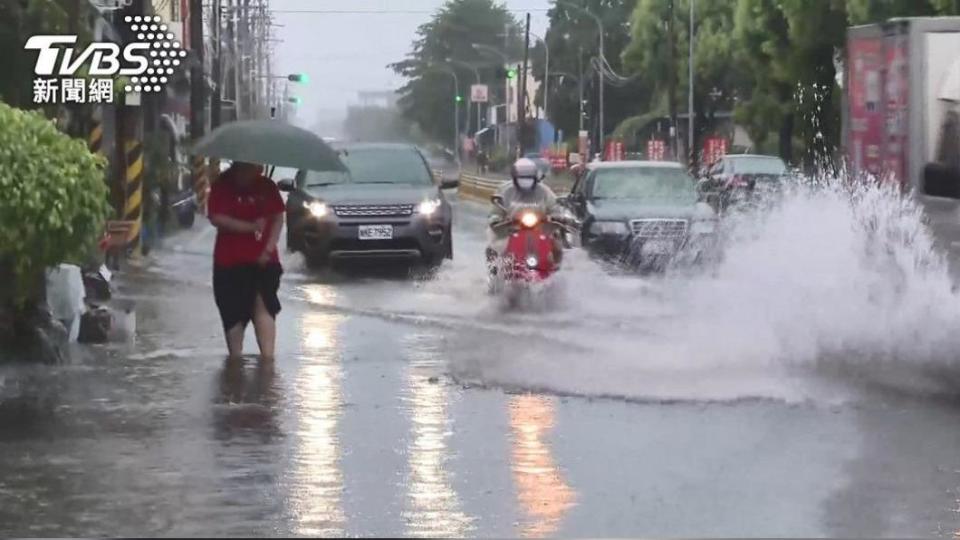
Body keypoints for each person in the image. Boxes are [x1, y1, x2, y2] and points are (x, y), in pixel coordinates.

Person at [207, 161, 285, 362]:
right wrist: (250, 227)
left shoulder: (267, 186)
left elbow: (278, 218)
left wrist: (268, 248)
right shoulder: (222, 185)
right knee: (232, 311)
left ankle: (268, 360)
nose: (255, 171)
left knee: (263, 305)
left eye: (257, 168)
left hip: (263, 260)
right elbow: (216, 217)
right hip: (230, 260)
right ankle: (235, 360)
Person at [486, 157, 569, 265]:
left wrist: (557, 217)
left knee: (557, 245)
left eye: (528, 179)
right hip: (510, 231)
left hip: (541, 231)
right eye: (522, 179)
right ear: (514, 178)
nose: (525, 182)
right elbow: (495, 212)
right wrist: (496, 220)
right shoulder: (505, 190)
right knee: (495, 247)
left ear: (535, 178)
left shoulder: (544, 191)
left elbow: (554, 207)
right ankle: (497, 271)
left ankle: (556, 269)